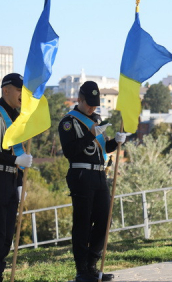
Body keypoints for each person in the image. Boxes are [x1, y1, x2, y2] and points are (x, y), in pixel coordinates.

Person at [58, 81, 127, 282]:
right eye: (89, 103)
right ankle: (81, 270)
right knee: (83, 223)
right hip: (81, 175)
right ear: (79, 99)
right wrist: (90, 135)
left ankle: (92, 264)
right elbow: (70, 152)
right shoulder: (68, 122)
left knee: (105, 220)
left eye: (95, 104)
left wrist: (117, 141)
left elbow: (104, 149)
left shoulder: (96, 120)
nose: (92, 108)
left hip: (99, 175)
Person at [0, 73, 33, 282]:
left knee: (7, 238)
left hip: (10, 181)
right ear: (6, 90)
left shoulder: (18, 118)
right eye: (19, 90)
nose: (22, 94)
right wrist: (15, 162)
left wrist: (19, 182)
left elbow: (14, 152)